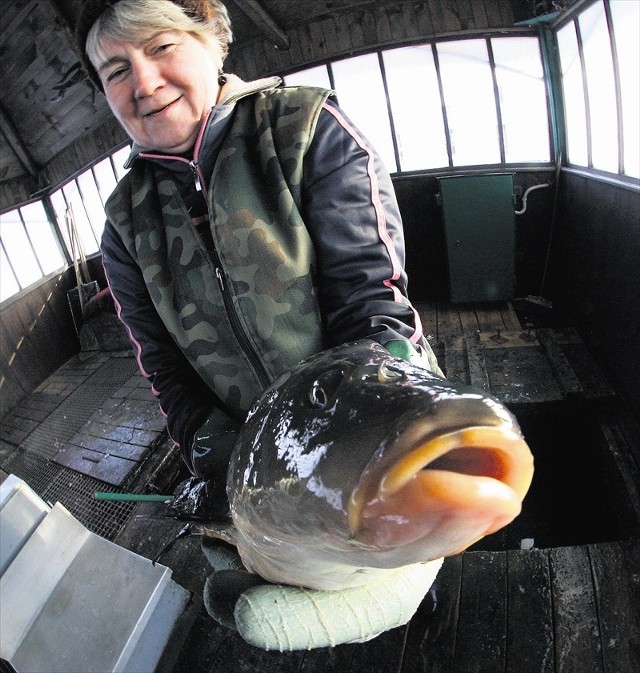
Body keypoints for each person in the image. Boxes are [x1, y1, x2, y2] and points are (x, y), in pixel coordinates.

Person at [76, 0, 442, 650]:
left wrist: (371, 447)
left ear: (211, 38)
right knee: (294, 568)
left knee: (399, 532)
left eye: (160, 48)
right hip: (254, 441)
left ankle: (422, 584)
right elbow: (163, 367)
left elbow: (372, 302)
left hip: (371, 404)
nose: (144, 82)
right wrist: (227, 467)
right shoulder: (124, 223)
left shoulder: (304, 128)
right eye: (115, 70)